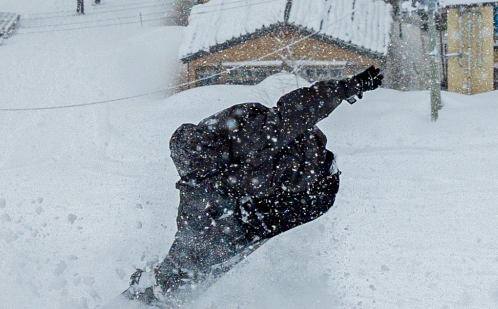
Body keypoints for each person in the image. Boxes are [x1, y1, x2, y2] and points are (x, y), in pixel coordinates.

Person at [140, 66, 382, 296]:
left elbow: (303, 107)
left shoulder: (250, 131)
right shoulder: (198, 176)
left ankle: (195, 268)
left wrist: (350, 86)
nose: (206, 174)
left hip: (316, 188)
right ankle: (175, 277)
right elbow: (190, 223)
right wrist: (169, 267)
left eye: (207, 166)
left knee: (236, 226)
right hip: (276, 192)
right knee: (213, 228)